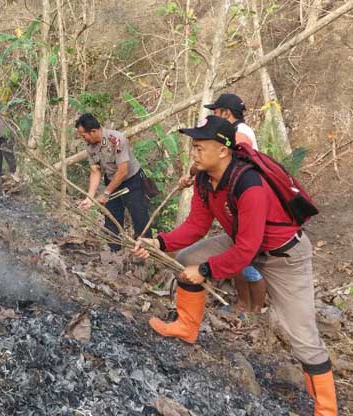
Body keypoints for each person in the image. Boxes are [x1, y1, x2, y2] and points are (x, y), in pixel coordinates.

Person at [133, 115, 337, 415]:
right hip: (245, 241)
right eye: (193, 146)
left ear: (223, 150)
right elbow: (196, 226)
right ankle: (186, 327)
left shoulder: (248, 184)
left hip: (284, 256)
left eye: (200, 147)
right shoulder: (206, 180)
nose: (194, 153)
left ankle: (327, 408)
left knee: (302, 335)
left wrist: (206, 272)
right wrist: (159, 243)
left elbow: (247, 249)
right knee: (187, 258)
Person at [180, 93, 265, 313]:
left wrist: (204, 269)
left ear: (226, 113)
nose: (213, 116)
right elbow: (196, 224)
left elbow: (231, 164)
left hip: (249, 213)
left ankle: (254, 309)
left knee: (248, 265)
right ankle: (243, 305)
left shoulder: (240, 135)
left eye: (215, 112)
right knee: (239, 263)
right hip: (236, 214)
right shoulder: (231, 135)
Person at [75, 113, 151, 251]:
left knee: (140, 218)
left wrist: (106, 193)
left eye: (83, 135)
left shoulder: (116, 139)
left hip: (131, 181)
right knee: (111, 219)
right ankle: (114, 253)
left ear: (93, 131)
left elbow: (122, 171)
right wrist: (90, 197)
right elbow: (95, 171)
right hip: (111, 181)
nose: (83, 138)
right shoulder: (90, 146)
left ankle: (147, 253)